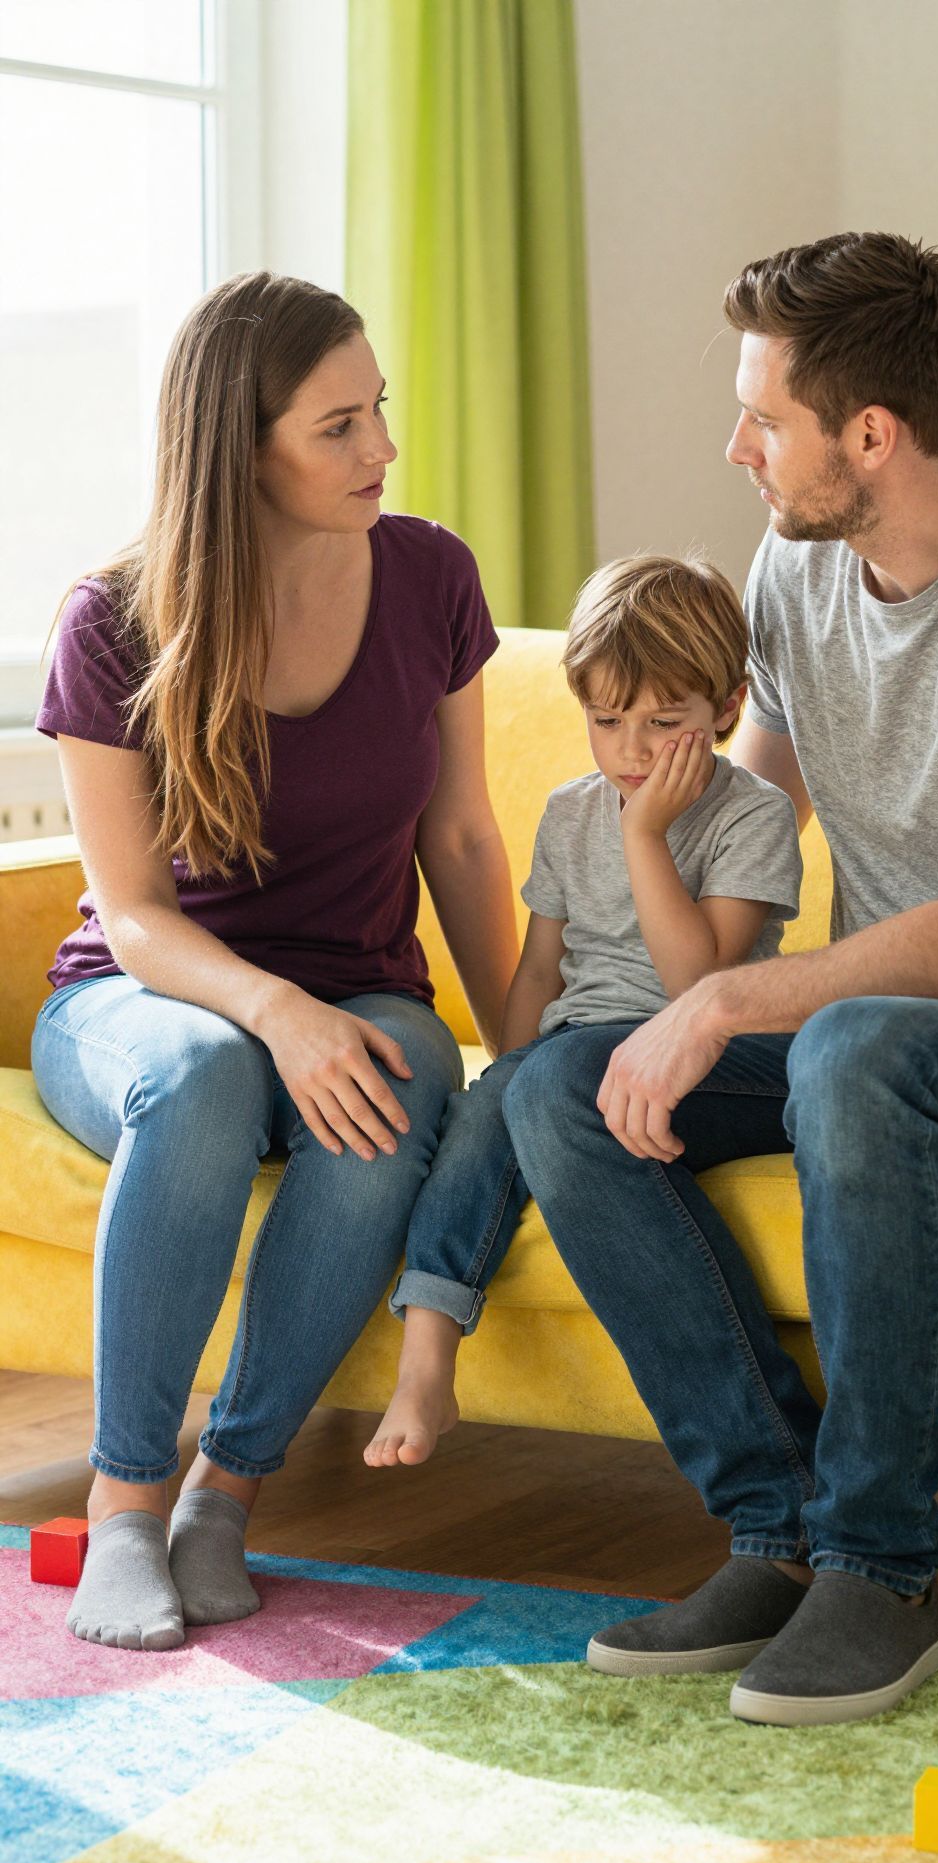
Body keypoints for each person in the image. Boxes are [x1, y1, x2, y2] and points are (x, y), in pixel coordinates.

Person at [494, 232, 938, 1726]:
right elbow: (749, 824)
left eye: (763, 419)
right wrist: (651, 939)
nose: (736, 449)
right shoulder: (797, 568)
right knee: (560, 1089)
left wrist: (721, 1007)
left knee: (858, 1051)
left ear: (871, 435)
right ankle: (778, 1529)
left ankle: (883, 1568)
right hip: (878, 1031)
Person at [32, 271, 519, 1652]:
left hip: (360, 982)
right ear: (242, 449)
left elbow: (465, 838)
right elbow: (131, 915)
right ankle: (126, 1506)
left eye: (380, 414)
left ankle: (224, 1495)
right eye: (339, 426)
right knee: (201, 1079)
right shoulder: (113, 619)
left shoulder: (430, 576)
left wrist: (526, 1065)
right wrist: (273, 1013)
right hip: (147, 996)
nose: (382, 451)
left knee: (399, 1074)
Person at [363, 554, 803, 1469]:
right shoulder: (570, 813)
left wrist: (645, 836)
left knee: (545, 1084)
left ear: (726, 708)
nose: (634, 751)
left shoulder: (748, 816)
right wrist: (507, 1074)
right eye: (608, 722)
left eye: (665, 723)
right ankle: (428, 1359)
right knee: (493, 1102)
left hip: (704, 1054)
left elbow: (702, 990)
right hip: (571, 1055)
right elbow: (538, 971)